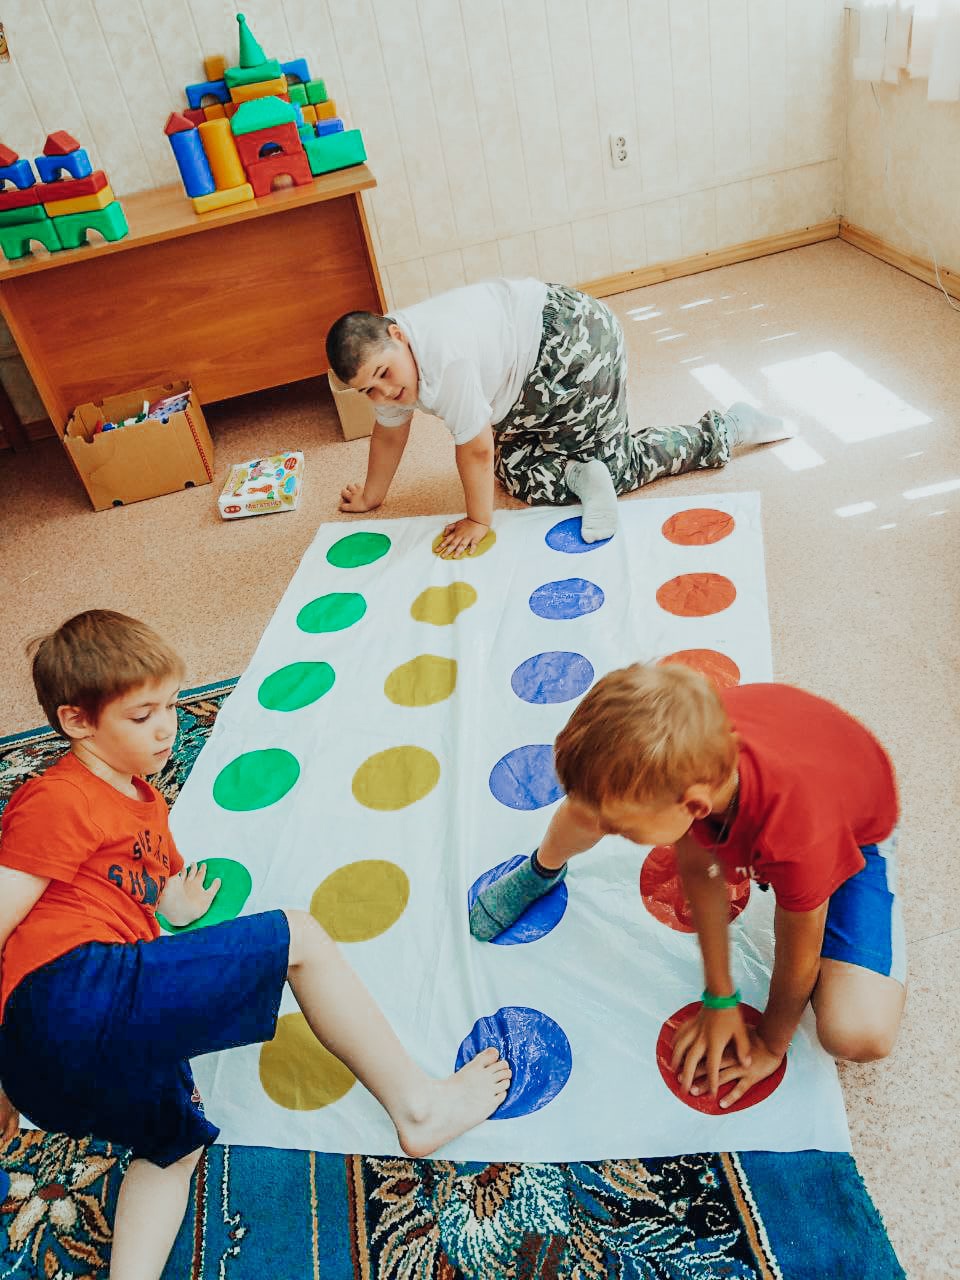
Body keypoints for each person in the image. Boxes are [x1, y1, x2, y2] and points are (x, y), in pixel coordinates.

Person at [0, 610, 510, 1280]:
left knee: (174, 1146)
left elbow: (158, 892)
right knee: (298, 934)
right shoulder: (57, 798)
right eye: (142, 715)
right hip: (69, 993)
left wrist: (179, 903)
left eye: (172, 706)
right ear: (76, 722)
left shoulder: (145, 803)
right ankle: (419, 1107)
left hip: (65, 1061)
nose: (167, 728)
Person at [469, 662, 905, 1106]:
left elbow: (798, 955)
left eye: (625, 831)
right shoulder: (687, 754)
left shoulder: (797, 836)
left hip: (853, 822)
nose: (614, 835)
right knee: (593, 800)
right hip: (796, 745)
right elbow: (701, 874)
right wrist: (720, 996)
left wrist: (770, 1043)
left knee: (856, 1031)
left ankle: (856, 883)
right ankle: (542, 869)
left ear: (694, 808)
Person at [325, 280, 793, 557]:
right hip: (530, 370)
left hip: (575, 346)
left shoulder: (444, 359)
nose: (384, 392)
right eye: (368, 389)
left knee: (618, 465)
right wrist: (371, 495)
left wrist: (478, 521)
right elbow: (389, 432)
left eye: (384, 375)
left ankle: (728, 428)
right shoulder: (387, 360)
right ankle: (579, 471)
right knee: (511, 470)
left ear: (397, 334)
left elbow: (475, 448)